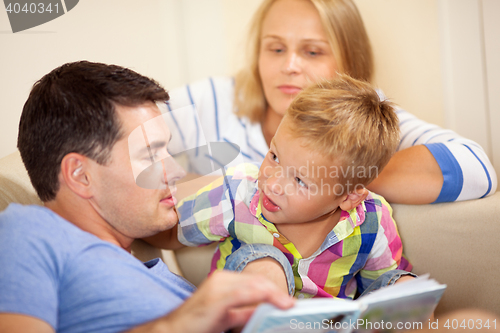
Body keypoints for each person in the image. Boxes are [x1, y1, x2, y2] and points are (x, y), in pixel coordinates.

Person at [0, 61, 294, 333]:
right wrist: (176, 325)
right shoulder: (26, 233)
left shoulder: (146, 269)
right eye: (151, 154)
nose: (177, 171)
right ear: (80, 175)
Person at [163, 0, 496, 206]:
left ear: (348, 62)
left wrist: (335, 175)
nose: (289, 65)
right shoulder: (217, 98)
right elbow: (123, 139)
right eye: (276, 49)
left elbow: (476, 168)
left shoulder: (370, 121)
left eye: (313, 51)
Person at [171, 75, 415, 299]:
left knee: (402, 286)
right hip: (243, 320)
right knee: (266, 265)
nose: (274, 183)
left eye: (299, 181)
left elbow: (377, 290)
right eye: (275, 157)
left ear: (349, 196)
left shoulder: (371, 220)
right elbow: (172, 230)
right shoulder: (238, 193)